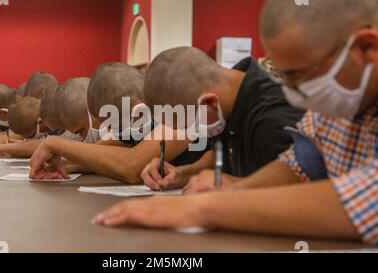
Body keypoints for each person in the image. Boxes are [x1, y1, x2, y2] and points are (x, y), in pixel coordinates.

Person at [94, 0, 378, 246]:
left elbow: (366, 202)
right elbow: (299, 163)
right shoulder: (336, 107)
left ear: (367, 48)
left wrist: (205, 208)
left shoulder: (287, 107)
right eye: (285, 76)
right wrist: (235, 191)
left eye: (299, 75)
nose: (291, 91)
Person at [138, 47, 304, 191]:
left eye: (188, 124)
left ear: (210, 102)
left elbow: (301, 188)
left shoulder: (272, 116)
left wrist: (231, 185)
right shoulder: (228, 100)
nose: (192, 131)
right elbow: (219, 155)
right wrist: (182, 174)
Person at [29, 63, 210, 183]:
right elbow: (102, 150)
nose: (111, 131)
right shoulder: (132, 118)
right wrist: (64, 165)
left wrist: (56, 144)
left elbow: (132, 167)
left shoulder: (179, 110)